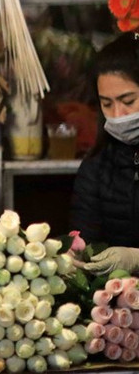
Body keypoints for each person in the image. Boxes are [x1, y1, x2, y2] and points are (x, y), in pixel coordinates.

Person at [71, 31, 139, 274]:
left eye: (128, 101)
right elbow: (83, 236)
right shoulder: (96, 166)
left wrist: (135, 259)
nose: (118, 115)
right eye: (107, 104)